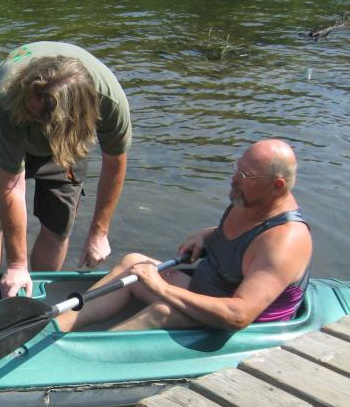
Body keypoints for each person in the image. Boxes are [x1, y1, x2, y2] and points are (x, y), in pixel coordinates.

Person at [56, 139, 312, 332]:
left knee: (163, 310)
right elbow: (247, 242)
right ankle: (56, 327)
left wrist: (162, 288)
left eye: (245, 176)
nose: (234, 179)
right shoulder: (252, 199)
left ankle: (87, 355)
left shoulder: (285, 242)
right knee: (134, 263)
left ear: (277, 186)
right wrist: (210, 235)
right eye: (237, 169)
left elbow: (238, 316)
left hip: (237, 323)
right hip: (208, 291)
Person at [0, 41, 132, 298]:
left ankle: (37, 297)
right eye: (33, 113)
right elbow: (11, 186)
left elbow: (114, 163)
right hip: (10, 117)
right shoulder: (7, 93)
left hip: (68, 134)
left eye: (41, 119)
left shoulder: (109, 101)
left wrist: (99, 232)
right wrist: (17, 265)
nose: (36, 128)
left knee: (58, 224)